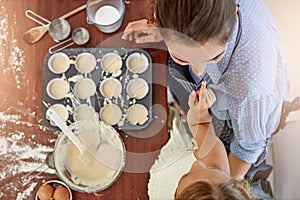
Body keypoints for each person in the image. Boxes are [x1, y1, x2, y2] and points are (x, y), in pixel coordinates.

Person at [122, 0, 291, 181]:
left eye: (214, 57)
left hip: (245, 123)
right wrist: (164, 29)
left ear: (234, 13)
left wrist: (221, 185)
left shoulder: (251, 89)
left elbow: (249, 147)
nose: (199, 72)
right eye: (181, 57)